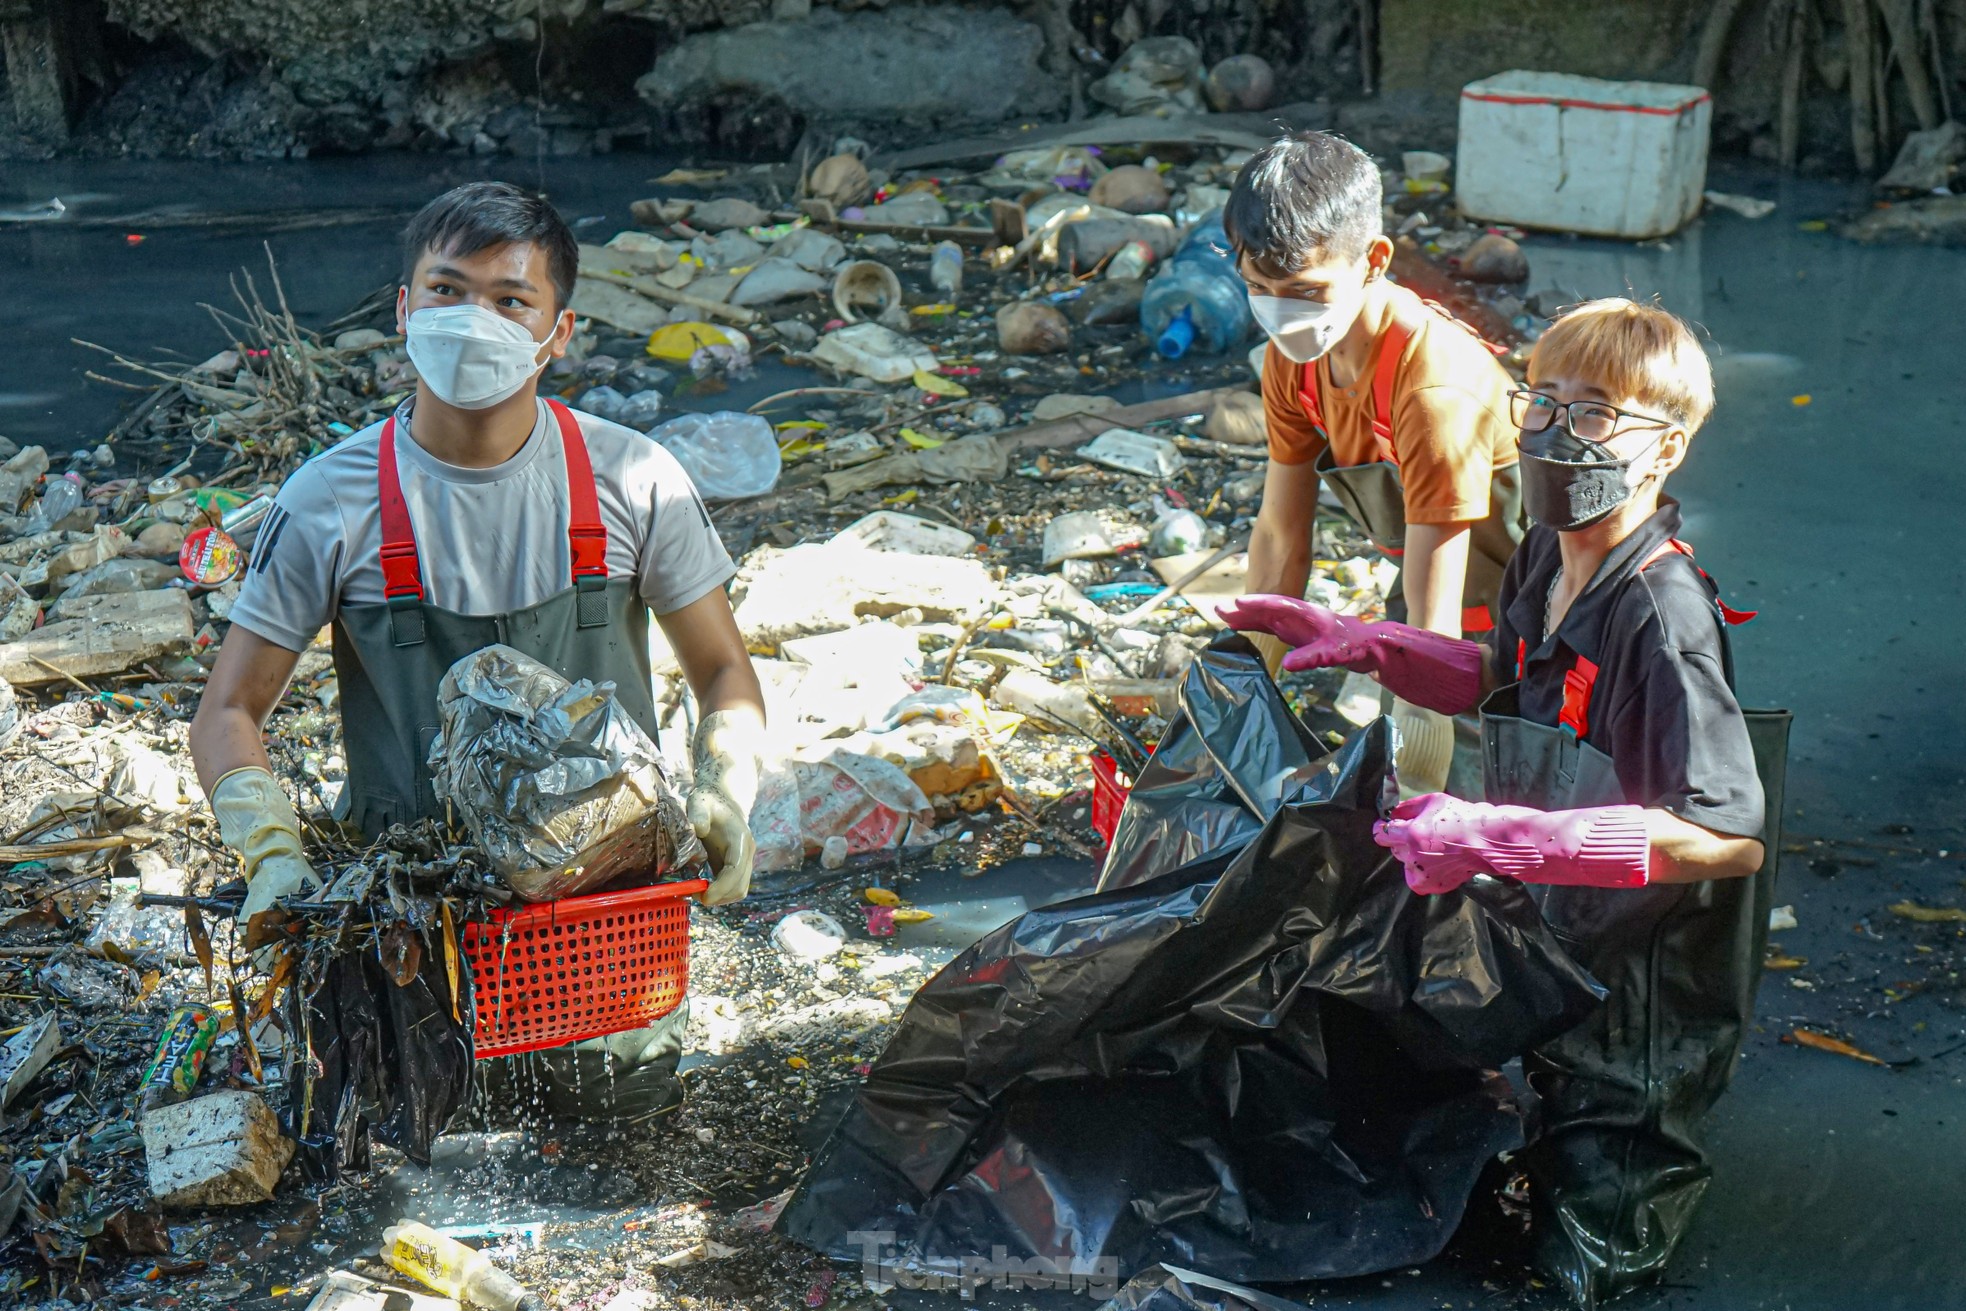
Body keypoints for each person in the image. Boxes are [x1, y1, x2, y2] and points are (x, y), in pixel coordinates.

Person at [1221, 298, 1786, 1308]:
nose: (1555, 432)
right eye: (1545, 401)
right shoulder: (1545, 555)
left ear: (1667, 449)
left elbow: (1725, 839)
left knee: (1582, 1264)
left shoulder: (1662, 616)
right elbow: (1505, 675)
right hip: (1568, 937)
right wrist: (1370, 641)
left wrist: (1498, 834)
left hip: (1646, 993)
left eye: (1596, 412)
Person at [188, 181, 766, 1123]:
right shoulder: (331, 502)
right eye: (448, 292)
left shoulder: (632, 479)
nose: (474, 320)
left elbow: (722, 671)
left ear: (558, 331)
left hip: (606, 926)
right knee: (416, 1159)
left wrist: (725, 786)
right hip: (415, 929)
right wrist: (272, 854)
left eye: (510, 300)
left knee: (631, 1134)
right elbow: (227, 711)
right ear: (406, 309)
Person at [1224, 129, 1525, 795]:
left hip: (1525, 606)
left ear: (1374, 260)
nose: (1279, 311)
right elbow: (1279, 537)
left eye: (1303, 289)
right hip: (1425, 569)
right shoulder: (1294, 363)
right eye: (1258, 286)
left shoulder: (1431, 387)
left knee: (1478, 809)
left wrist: (1419, 771)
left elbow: (1434, 624)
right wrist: (1246, 682)